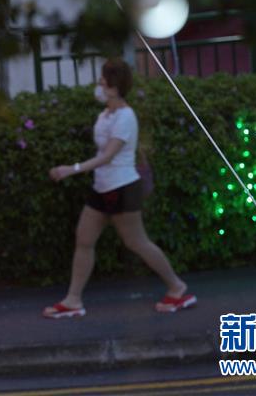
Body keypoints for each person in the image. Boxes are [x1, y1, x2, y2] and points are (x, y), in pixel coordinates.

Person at [44, 59, 195, 318]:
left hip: (122, 187)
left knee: (137, 242)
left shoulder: (126, 117)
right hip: (101, 188)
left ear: (114, 87)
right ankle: (73, 300)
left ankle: (177, 287)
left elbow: (108, 156)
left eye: (103, 80)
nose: (99, 84)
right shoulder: (105, 115)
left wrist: (72, 168)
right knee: (84, 239)